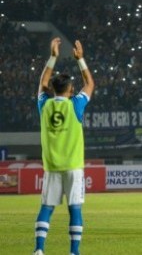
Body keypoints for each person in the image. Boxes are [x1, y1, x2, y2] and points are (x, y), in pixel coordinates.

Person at [33, 38, 95, 255]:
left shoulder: (45, 105)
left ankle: (39, 250)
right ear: (70, 90)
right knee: (74, 209)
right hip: (73, 166)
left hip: (52, 167)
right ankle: (74, 252)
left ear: (54, 89)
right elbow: (90, 84)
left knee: (47, 208)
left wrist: (52, 56)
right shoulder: (75, 105)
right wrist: (81, 60)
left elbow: (42, 84)